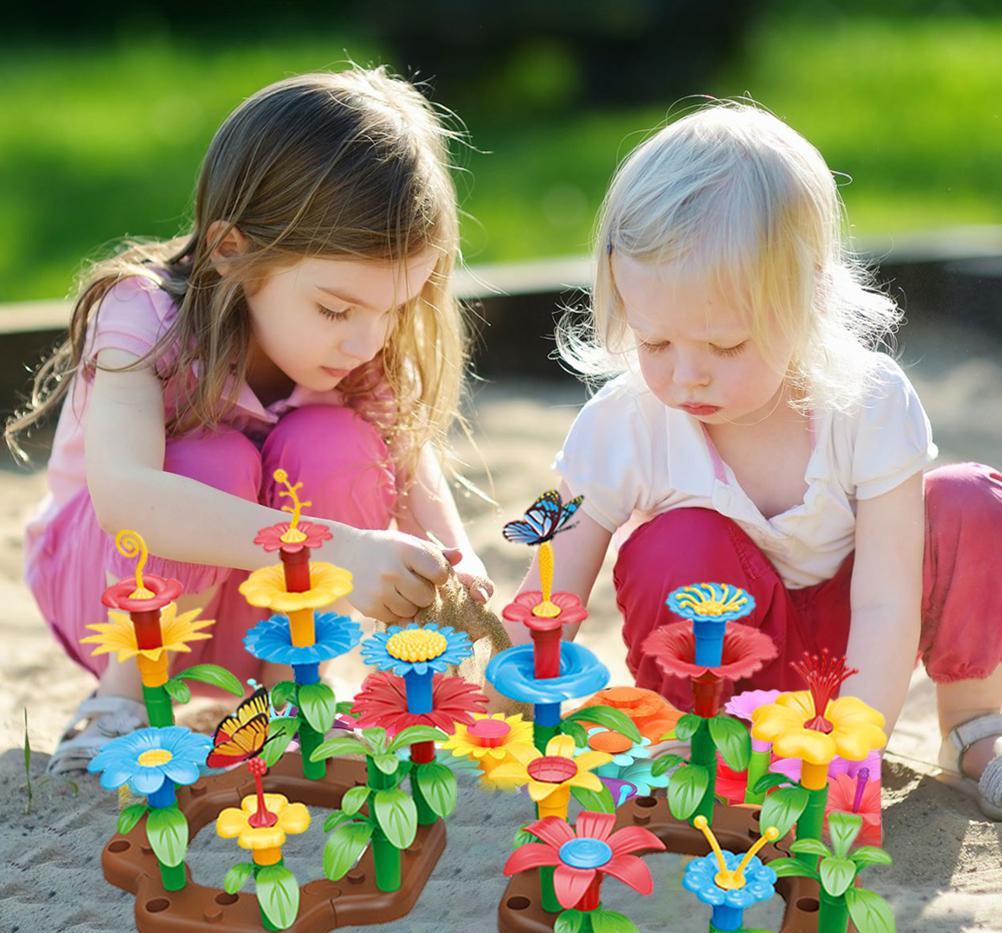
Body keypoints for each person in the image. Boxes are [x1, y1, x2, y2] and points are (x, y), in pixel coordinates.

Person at [508, 101, 1002, 820]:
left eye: (726, 345)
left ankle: (973, 726)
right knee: (673, 542)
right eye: (654, 343)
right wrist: (500, 698)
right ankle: (700, 743)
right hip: (723, 664)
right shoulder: (626, 421)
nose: (686, 377)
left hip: (860, 653)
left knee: (971, 502)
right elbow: (553, 575)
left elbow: (887, 601)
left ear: (809, 299)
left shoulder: (868, 402)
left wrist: (850, 758)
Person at [9, 68, 493, 773]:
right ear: (232, 249)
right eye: (336, 309)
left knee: (339, 445)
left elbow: (409, 466)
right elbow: (128, 500)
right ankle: (123, 698)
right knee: (212, 461)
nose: (367, 341)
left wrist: (457, 560)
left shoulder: (361, 349)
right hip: (115, 600)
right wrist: (339, 550)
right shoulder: (143, 319)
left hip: (262, 616)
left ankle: (292, 688)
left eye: (396, 308)